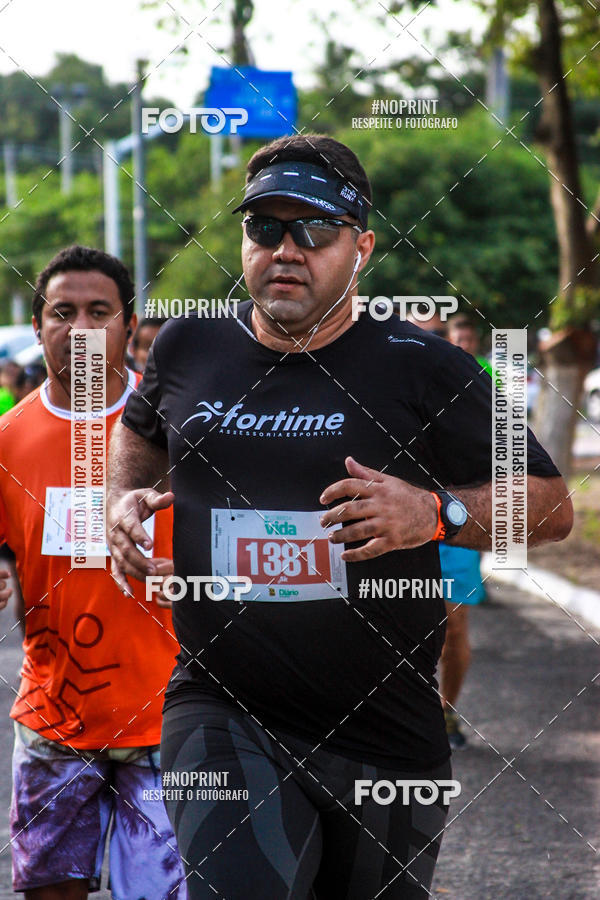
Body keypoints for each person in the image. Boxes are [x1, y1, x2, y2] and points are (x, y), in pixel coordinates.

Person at [106, 134, 573, 900]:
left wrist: (435, 511)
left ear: (361, 248)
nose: (286, 250)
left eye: (313, 230)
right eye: (265, 228)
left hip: (386, 733)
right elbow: (139, 433)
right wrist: (119, 498)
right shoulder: (190, 345)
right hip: (222, 708)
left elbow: (553, 508)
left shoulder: (422, 367)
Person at [0, 245, 185, 899]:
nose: (80, 328)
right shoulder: (7, 438)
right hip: (54, 719)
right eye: (63, 312)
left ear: (129, 327)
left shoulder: (180, 428)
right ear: (39, 324)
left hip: (171, 720)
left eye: (99, 312)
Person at [439, 314, 491, 748]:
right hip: (393, 529)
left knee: (454, 628)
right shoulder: (389, 382)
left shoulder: (481, 384)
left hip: (454, 525)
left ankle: (447, 711)